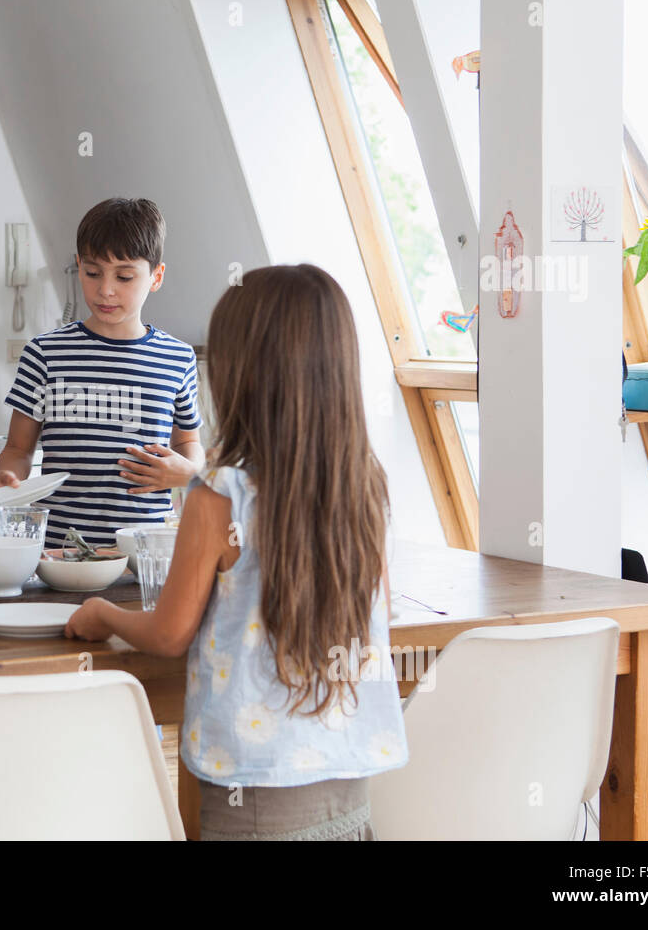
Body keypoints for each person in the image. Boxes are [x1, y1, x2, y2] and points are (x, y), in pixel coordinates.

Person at [65, 264, 407, 840]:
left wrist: (103, 614)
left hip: (253, 798)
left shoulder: (222, 494)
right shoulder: (364, 483)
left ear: (241, 372)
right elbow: (384, 608)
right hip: (349, 784)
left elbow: (171, 635)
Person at [0, 198, 205, 548]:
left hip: (144, 552)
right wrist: (9, 477)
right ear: (79, 266)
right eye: (92, 273)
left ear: (156, 276)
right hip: (58, 553)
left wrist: (190, 472)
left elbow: (188, 442)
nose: (105, 289)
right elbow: (18, 448)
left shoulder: (178, 358)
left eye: (124, 276)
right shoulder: (45, 353)